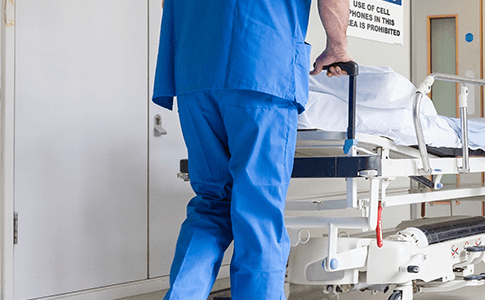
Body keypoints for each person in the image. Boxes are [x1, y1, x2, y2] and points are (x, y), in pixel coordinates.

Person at [151, 0, 353, 298]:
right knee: (258, 206)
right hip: (261, 64)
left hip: (193, 70)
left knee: (211, 202)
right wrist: (338, 46)